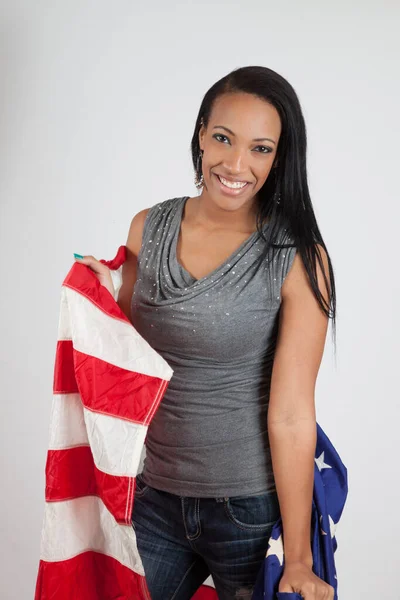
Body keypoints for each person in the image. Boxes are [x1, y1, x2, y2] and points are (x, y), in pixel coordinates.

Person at [75, 66, 335, 600]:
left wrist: (299, 560)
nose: (236, 164)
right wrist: (102, 296)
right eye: (223, 138)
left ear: (280, 158)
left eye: (260, 149)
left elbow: (290, 413)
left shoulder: (297, 258)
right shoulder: (149, 227)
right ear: (200, 133)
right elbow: (133, 359)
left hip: (248, 510)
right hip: (156, 495)